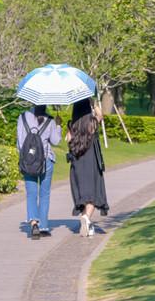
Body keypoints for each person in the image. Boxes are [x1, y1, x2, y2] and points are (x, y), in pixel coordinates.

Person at [17, 104, 62, 239]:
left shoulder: (22, 117)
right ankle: (43, 226)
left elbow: (20, 142)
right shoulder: (50, 120)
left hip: (29, 161)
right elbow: (55, 141)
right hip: (46, 160)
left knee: (31, 193)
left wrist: (25, 158)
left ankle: (34, 222)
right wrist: (58, 125)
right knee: (44, 194)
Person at [67, 97, 109, 237]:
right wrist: (94, 104)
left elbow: (68, 141)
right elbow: (100, 116)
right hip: (91, 163)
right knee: (93, 193)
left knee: (83, 193)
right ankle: (86, 218)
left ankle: (86, 221)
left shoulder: (72, 127)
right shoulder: (91, 124)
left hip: (77, 164)